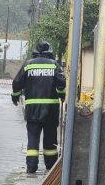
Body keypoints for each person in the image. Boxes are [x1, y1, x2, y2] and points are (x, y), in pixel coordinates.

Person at [11, 41, 66, 173]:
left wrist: (15, 96)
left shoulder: (28, 65)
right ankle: (51, 166)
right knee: (50, 139)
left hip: (32, 109)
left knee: (33, 138)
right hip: (50, 110)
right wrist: (61, 95)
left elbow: (17, 82)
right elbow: (61, 83)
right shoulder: (54, 65)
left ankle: (31, 167)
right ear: (50, 52)